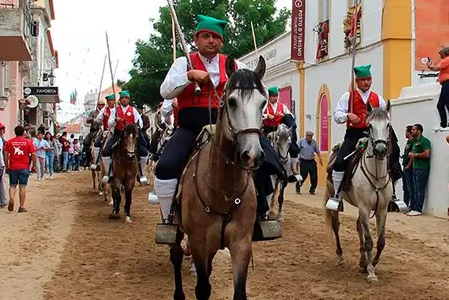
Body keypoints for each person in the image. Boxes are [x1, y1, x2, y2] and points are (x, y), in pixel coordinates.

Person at [154, 15, 288, 232]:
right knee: (166, 166)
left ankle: (261, 214)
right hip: (191, 127)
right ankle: (171, 219)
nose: (210, 41)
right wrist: (189, 76)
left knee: (270, 163)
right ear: (196, 39)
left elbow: (257, 91)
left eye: (215, 37)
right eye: (205, 36)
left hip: (234, 128)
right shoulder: (183, 63)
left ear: (221, 42)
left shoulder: (237, 65)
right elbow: (165, 91)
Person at [325, 64, 409, 213]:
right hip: (354, 134)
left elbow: (386, 117)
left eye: (368, 79)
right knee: (339, 162)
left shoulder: (378, 98)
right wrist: (347, 115)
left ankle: (393, 195)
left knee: (394, 153)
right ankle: (337, 195)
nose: (366, 82)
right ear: (357, 81)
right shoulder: (348, 96)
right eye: (363, 80)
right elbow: (337, 115)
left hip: (375, 134)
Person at [101, 90, 149, 185]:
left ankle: (140, 173)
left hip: (130, 135)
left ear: (129, 99)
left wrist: (135, 127)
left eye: (126, 98)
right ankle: (109, 173)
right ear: (120, 100)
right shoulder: (115, 110)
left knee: (144, 152)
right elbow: (109, 123)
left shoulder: (133, 110)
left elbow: (140, 123)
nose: (124, 100)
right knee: (105, 151)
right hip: (118, 134)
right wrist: (115, 119)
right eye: (122, 98)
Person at [3, 125, 36, 212]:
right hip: (24, 167)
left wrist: (7, 166)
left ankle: (11, 199)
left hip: (13, 166)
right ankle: (21, 206)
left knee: (12, 185)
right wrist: (34, 165)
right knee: (22, 187)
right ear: (23, 132)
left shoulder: (9, 142)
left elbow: (6, 155)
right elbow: (33, 154)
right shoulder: (28, 142)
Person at [426, 46, 449, 131]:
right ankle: (444, 124)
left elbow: (436, 68)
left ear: (444, 53)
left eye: (440, 52)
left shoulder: (447, 60)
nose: (439, 53)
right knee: (441, 105)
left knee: (448, 104)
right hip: (447, 84)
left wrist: (430, 66)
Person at [407, 123, 431, 216]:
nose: (412, 131)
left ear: (419, 131)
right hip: (415, 167)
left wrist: (415, 155)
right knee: (415, 189)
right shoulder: (415, 142)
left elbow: (427, 154)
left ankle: (418, 208)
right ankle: (414, 207)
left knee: (420, 189)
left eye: (413, 129)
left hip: (422, 168)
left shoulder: (424, 141)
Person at [297, 130, 319, 195]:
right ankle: (298, 187)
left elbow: (317, 151)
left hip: (311, 161)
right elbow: (297, 150)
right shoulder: (301, 141)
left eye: (311, 136)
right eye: (309, 136)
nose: (310, 138)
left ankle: (312, 190)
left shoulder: (314, 142)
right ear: (306, 136)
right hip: (303, 161)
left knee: (314, 176)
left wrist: (320, 158)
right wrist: (297, 159)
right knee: (303, 176)